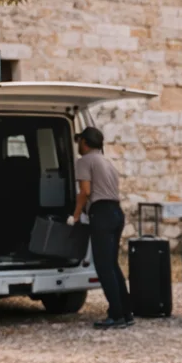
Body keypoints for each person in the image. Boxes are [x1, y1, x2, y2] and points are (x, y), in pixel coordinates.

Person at [71, 127, 132, 329]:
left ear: (85, 143)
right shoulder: (107, 162)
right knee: (112, 264)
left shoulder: (85, 161)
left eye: (79, 141)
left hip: (101, 214)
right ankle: (126, 312)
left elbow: (85, 191)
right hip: (116, 212)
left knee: (104, 267)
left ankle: (116, 315)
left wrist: (76, 215)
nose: (78, 145)